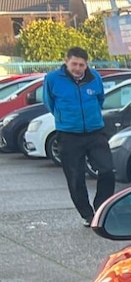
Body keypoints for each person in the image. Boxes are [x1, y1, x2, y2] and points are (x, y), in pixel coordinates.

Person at [42, 46, 115, 223]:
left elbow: (100, 99)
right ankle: (87, 215)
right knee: (75, 177)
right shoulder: (52, 79)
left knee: (107, 170)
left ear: (86, 64)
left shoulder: (95, 77)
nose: (77, 68)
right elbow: (49, 103)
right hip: (69, 135)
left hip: (95, 132)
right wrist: (65, 118)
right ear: (66, 62)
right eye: (74, 64)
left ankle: (101, 208)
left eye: (81, 65)